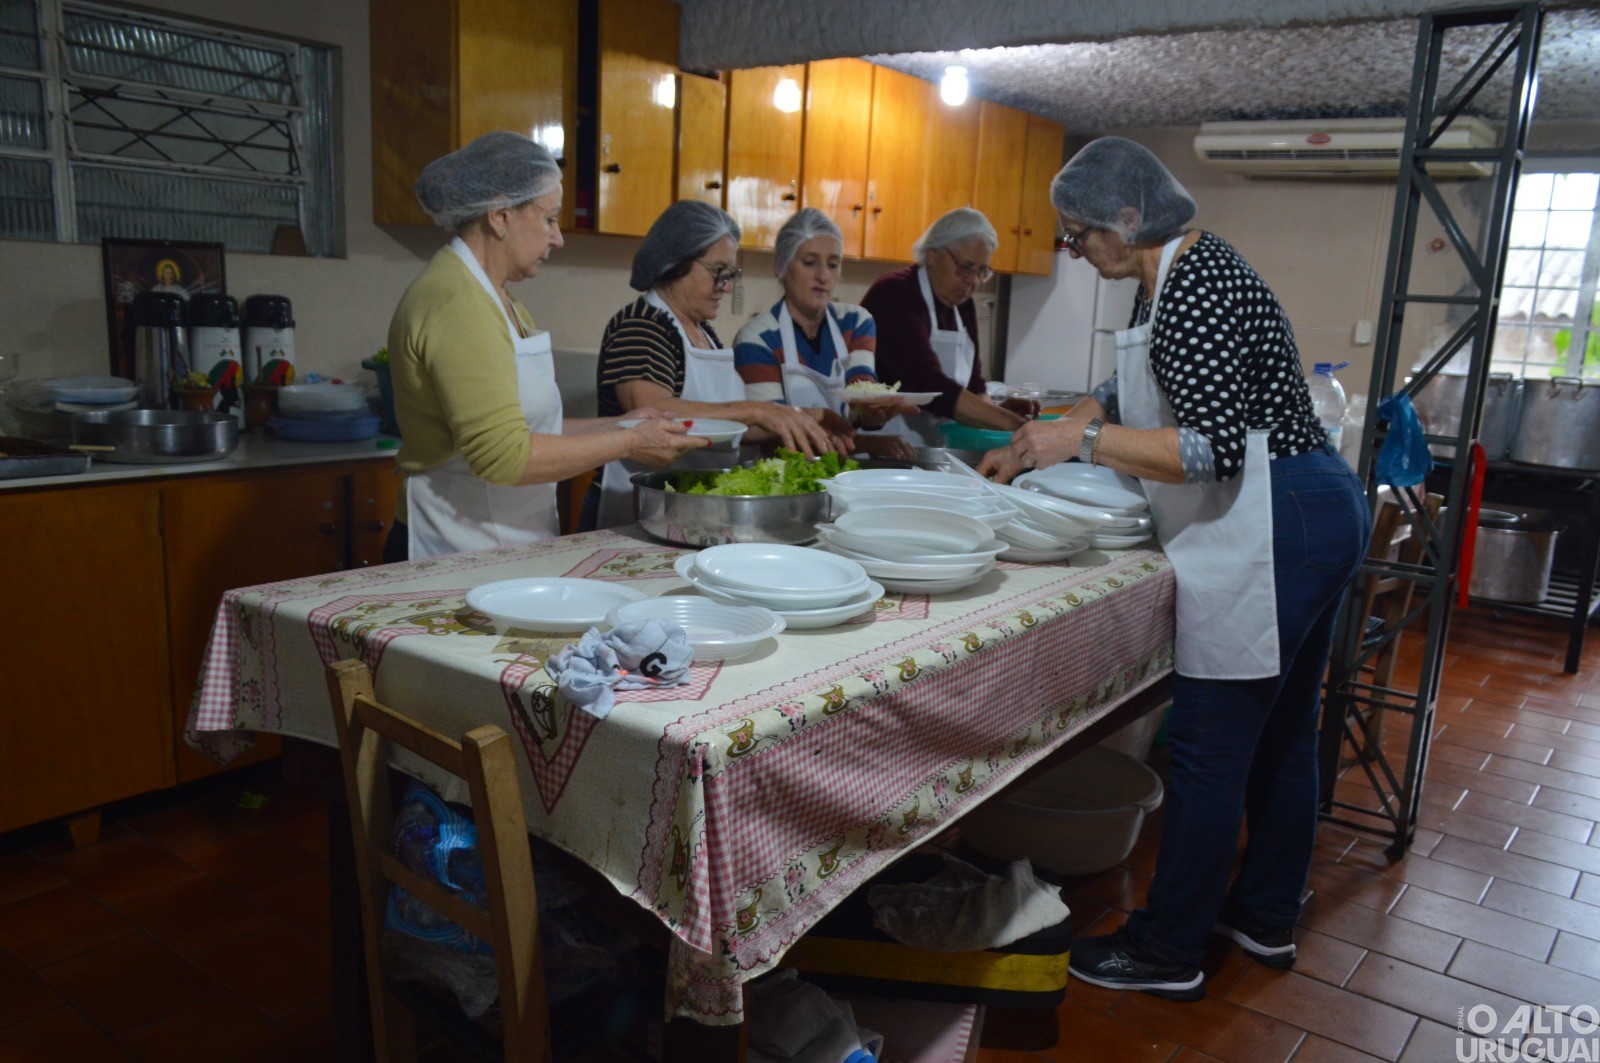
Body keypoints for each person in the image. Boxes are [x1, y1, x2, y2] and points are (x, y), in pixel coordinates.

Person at [979, 137, 1370, 1000]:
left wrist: (1073, 440)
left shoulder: (1194, 283)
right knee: (1279, 735)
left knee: (1206, 745)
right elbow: (1129, 393)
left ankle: (1168, 946)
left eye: (1080, 235)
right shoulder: (1175, 277)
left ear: (1129, 217)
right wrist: (1037, 439)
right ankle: (1263, 917)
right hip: (1312, 509)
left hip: (1282, 521)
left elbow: (1210, 447)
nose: (1076, 252)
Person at [385, 132, 705, 561]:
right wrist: (630, 443)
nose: (558, 238)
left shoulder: (498, 298)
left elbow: (530, 430)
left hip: (500, 542)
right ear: (500, 216)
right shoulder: (457, 301)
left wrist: (623, 424)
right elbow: (503, 457)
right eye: (549, 219)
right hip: (454, 546)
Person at [586, 200, 853, 530]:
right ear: (676, 261)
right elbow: (652, 411)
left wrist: (797, 419)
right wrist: (757, 411)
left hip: (688, 510)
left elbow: (727, 426)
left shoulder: (703, 332)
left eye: (731, 275)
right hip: (636, 511)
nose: (726, 287)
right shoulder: (641, 324)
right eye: (718, 273)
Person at [733, 208, 918, 462]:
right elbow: (771, 430)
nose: (823, 276)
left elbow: (859, 395)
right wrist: (864, 443)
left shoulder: (856, 322)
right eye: (810, 263)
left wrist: (873, 412)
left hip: (841, 471)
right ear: (782, 266)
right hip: (783, 476)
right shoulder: (757, 338)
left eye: (833, 264)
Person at [861, 207, 1039, 448]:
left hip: (941, 449)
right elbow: (927, 384)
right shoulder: (894, 294)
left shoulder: (963, 306)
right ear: (933, 255)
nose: (973, 281)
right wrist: (1017, 426)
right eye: (965, 266)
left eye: (981, 271)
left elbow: (975, 387)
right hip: (888, 448)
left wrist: (994, 412)